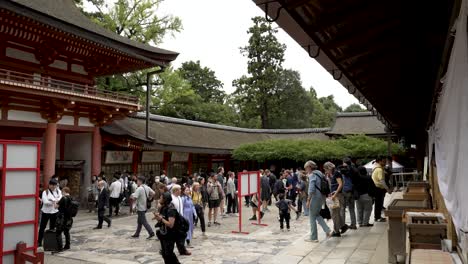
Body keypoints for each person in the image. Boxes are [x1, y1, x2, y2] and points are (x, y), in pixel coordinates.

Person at [304, 160, 331, 242]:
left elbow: (311, 189)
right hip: (322, 197)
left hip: (315, 197)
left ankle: (313, 237)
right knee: (317, 215)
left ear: (309, 167)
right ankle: (327, 230)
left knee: (312, 216)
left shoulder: (312, 175)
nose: (305, 170)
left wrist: (308, 200)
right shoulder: (319, 173)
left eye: (306, 168)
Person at [153, 192, 181, 264]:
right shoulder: (164, 207)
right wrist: (157, 217)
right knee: (165, 253)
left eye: (161, 198)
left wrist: (161, 218)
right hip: (164, 233)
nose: (159, 199)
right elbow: (163, 219)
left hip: (171, 234)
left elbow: (170, 224)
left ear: (165, 199)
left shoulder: (171, 209)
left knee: (168, 253)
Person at [38, 179, 62, 247]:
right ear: (49, 185)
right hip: (46, 212)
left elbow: (60, 199)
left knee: (52, 228)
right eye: (52, 185)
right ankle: (39, 242)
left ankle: (51, 242)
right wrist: (55, 201)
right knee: (42, 227)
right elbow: (45, 202)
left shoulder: (58, 191)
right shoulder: (45, 192)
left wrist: (52, 200)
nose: (53, 187)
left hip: (55, 212)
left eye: (55, 185)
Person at [324, 161, 345, 237]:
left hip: (337, 195)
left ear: (329, 168)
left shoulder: (336, 173)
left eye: (326, 169)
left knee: (334, 213)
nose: (325, 171)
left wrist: (334, 195)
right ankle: (342, 226)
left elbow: (340, 184)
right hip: (334, 195)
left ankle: (336, 231)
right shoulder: (332, 174)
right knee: (335, 213)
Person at [372, 156, 392, 222]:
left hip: (376, 188)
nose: (385, 162)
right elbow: (382, 181)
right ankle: (377, 217)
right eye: (384, 161)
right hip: (378, 188)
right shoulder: (379, 169)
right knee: (378, 204)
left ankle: (377, 217)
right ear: (379, 161)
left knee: (378, 204)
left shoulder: (376, 168)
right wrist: (387, 189)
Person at [339, 159, 358, 230]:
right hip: (352, 191)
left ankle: (343, 225)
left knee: (342, 209)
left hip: (345, 191)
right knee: (351, 209)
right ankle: (353, 224)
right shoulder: (354, 170)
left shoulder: (343, 171)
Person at [55, 187, 73, 252]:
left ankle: (60, 248)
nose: (62, 193)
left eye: (62, 192)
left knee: (58, 233)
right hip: (69, 219)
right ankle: (67, 245)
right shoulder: (71, 198)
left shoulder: (63, 198)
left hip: (62, 218)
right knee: (66, 232)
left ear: (64, 191)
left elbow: (56, 206)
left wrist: (55, 202)